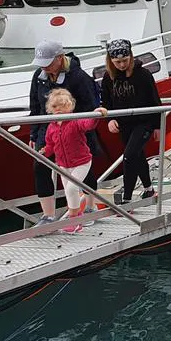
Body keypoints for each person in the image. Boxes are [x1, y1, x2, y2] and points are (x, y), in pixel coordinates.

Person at [28, 40, 104, 229]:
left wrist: (83, 124)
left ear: (60, 59)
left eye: (48, 62)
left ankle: (90, 207)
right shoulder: (39, 75)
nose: (44, 67)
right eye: (41, 63)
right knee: (40, 167)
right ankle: (48, 215)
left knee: (84, 168)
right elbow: (36, 107)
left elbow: (90, 104)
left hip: (76, 128)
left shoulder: (79, 77)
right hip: (48, 129)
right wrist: (33, 134)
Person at [100, 39, 161, 205]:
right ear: (110, 60)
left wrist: (157, 127)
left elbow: (155, 101)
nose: (121, 65)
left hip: (144, 121)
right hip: (124, 124)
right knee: (138, 156)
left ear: (131, 57)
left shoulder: (143, 75)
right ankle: (149, 190)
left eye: (125, 61)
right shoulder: (108, 78)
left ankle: (127, 200)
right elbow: (106, 102)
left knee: (129, 157)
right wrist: (110, 119)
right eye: (117, 62)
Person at [40, 88, 104, 234]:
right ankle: (77, 217)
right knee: (68, 192)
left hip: (81, 161)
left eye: (63, 106)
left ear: (69, 107)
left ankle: (74, 220)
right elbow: (51, 144)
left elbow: (87, 125)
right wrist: (45, 152)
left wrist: (96, 115)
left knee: (72, 189)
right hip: (63, 164)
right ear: (50, 109)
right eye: (55, 107)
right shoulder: (52, 126)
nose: (59, 110)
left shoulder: (75, 121)